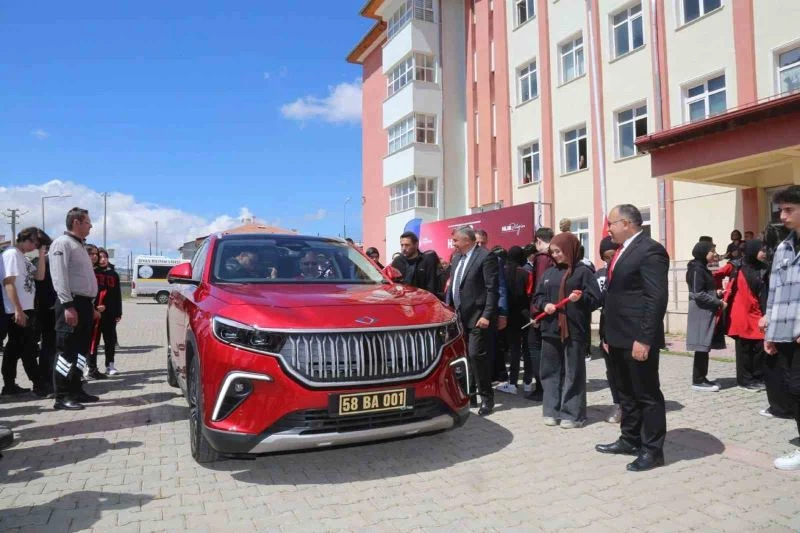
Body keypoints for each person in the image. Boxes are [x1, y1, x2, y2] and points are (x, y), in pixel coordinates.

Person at [595, 204, 668, 472]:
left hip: (637, 338)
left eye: (612, 223)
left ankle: (652, 450)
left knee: (646, 394)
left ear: (626, 223)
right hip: (617, 337)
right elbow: (615, 296)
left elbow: (655, 297)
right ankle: (630, 439)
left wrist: (645, 338)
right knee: (626, 393)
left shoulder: (650, 250)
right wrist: (606, 334)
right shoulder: (622, 252)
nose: (609, 229)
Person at [532, 232, 601, 428]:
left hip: (574, 330)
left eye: (559, 251)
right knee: (550, 371)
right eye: (553, 252)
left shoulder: (583, 272)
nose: (556, 256)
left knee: (573, 372)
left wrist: (581, 299)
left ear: (570, 249)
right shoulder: (549, 273)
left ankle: (573, 413)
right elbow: (537, 297)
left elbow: (595, 299)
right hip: (550, 329)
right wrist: (544, 305)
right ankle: (551, 410)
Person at [760, 185, 800, 471]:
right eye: (781, 210)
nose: (782, 216)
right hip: (786, 331)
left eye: (789, 210)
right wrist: (770, 331)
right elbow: (774, 292)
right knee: (793, 388)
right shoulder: (784, 247)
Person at [49, 207, 100, 410]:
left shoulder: (79, 245)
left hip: (84, 304)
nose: (90, 226)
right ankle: (61, 396)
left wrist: (92, 306)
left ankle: (76, 389)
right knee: (66, 352)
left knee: (80, 353)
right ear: (77, 222)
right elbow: (59, 277)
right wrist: (68, 306)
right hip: (71, 304)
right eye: (88, 222)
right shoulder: (62, 244)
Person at [448, 226, 499, 416]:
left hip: (478, 317)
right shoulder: (456, 258)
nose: (453, 244)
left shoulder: (485, 257)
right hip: (459, 317)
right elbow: (453, 286)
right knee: (464, 358)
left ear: (467, 241)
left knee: (477, 355)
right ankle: (470, 395)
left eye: (456, 241)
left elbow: (492, 289)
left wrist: (487, 315)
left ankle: (487, 398)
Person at [1, 227, 47, 396]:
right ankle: (38, 383)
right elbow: (8, 283)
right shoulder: (11, 254)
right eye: (35, 242)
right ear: (25, 239)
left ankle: (9, 385)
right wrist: (17, 310)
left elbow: (40, 276)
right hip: (17, 310)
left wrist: (41, 253)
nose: (35, 245)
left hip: (27, 308)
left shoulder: (24, 258)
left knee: (15, 348)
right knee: (26, 348)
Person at [723, 240, 768, 392]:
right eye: (761, 250)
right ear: (753, 250)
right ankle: (745, 380)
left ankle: (758, 376)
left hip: (757, 312)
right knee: (744, 349)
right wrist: (714, 292)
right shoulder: (736, 265)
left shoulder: (763, 268)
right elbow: (716, 274)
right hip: (740, 314)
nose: (764, 253)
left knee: (760, 346)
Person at [685, 240, 726, 392]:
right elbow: (698, 293)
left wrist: (717, 293)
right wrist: (718, 302)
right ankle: (697, 380)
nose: (715, 254)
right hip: (701, 311)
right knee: (701, 346)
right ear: (703, 252)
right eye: (712, 251)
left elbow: (704, 290)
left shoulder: (703, 267)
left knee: (704, 346)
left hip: (706, 309)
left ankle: (702, 377)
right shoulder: (696, 268)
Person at [523, 227, 556, 400]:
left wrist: (535, 313)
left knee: (534, 348)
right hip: (554, 308)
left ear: (538, 241)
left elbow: (540, 286)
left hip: (542, 310)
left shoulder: (542, 258)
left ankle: (542, 387)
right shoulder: (557, 255)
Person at [495, 246, 531, 395]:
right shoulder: (526, 273)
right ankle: (528, 382)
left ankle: (513, 383)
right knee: (528, 349)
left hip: (509, 315)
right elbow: (530, 293)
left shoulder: (501, 271)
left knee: (514, 350)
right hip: (525, 314)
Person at [596, 236, 622, 424]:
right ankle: (618, 404)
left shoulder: (628, 271)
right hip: (607, 328)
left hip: (627, 329)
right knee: (611, 371)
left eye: (613, 255)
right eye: (606, 257)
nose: (610, 260)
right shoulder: (599, 275)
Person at [32, 229, 56, 397]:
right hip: (48, 311)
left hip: (46, 309)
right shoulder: (45, 263)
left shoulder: (41, 262)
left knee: (49, 347)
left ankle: (45, 382)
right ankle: (45, 383)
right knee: (49, 348)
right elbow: (42, 288)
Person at [92, 248, 122, 376]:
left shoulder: (113, 274)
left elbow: (117, 295)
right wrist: (94, 307)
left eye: (105, 257)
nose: (103, 259)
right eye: (101, 257)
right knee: (94, 341)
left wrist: (118, 313)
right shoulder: (92, 272)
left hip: (109, 314)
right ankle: (91, 366)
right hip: (95, 313)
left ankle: (110, 365)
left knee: (109, 341)